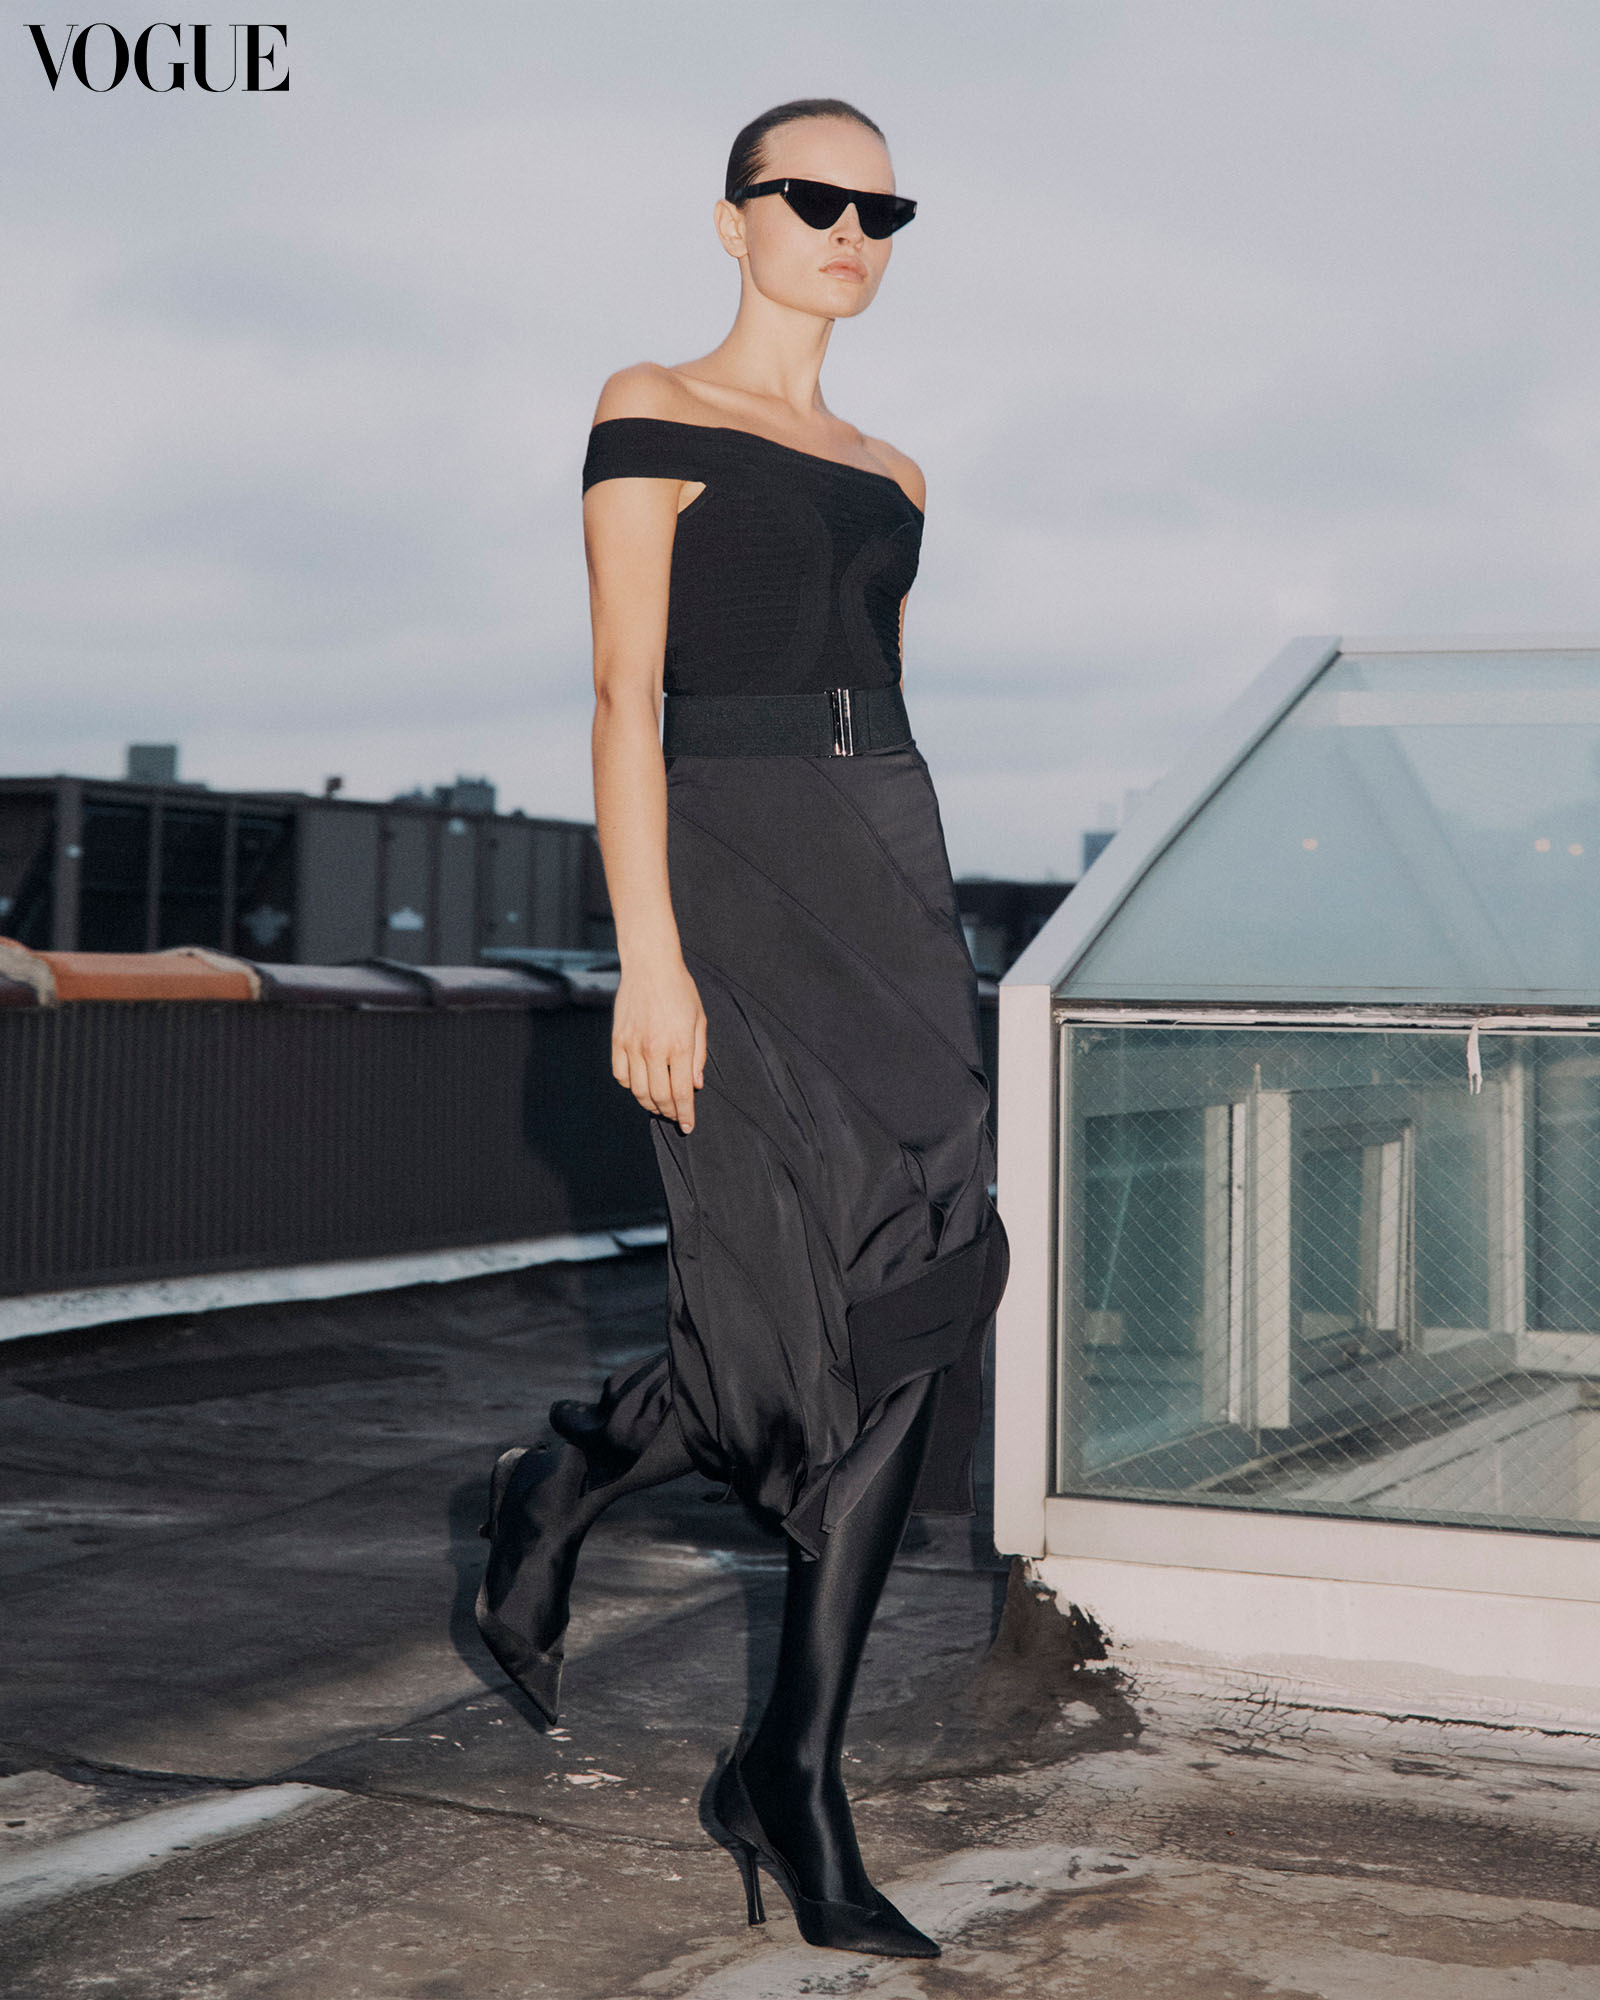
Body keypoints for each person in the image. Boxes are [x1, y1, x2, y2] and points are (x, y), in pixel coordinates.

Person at [477, 95, 1008, 1961]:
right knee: (784, 1322)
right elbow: (630, 700)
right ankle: (571, 1480)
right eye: (818, 197)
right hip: (733, 873)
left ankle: (788, 1754)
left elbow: (873, 696)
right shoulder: (651, 403)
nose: (854, 229)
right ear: (734, 221)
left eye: (885, 207)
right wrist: (653, 955)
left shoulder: (898, 469)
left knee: (928, 1285)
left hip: (892, 865)